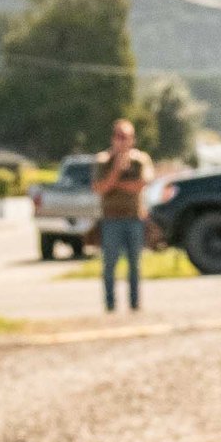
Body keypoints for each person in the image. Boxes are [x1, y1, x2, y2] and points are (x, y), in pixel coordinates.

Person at [93, 118, 148, 312]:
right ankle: (110, 305)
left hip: (134, 218)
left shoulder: (140, 160)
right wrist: (116, 170)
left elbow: (140, 185)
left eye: (126, 137)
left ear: (133, 139)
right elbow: (100, 188)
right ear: (113, 138)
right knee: (109, 265)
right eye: (119, 136)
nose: (122, 141)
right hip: (111, 219)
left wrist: (114, 185)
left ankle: (135, 304)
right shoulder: (103, 160)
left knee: (135, 264)